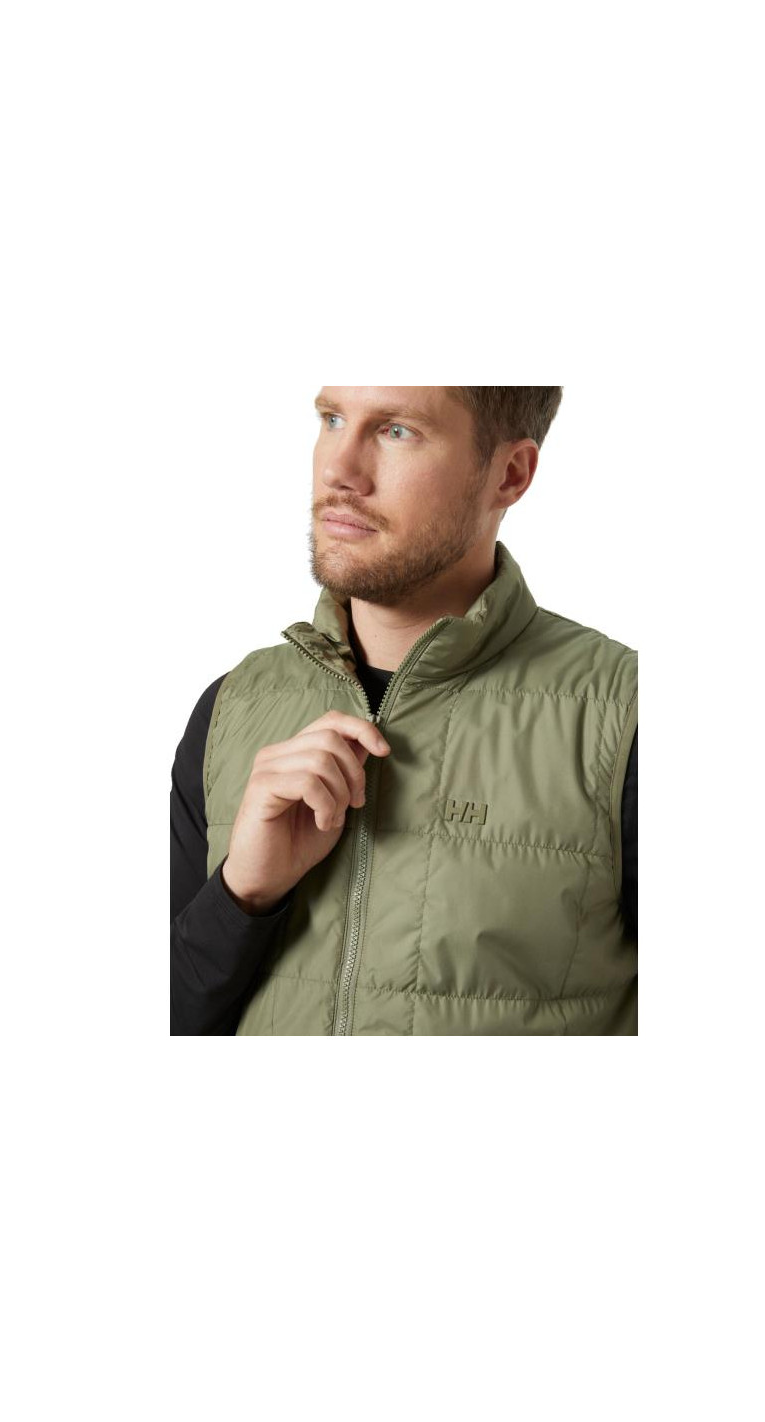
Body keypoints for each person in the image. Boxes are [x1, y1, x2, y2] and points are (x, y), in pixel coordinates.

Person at [171, 387, 637, 1035]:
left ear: (509, 474)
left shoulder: (624, 718)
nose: (339, 470)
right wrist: (241, 894)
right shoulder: (231, 708)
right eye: (333, 419)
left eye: (396, 431)